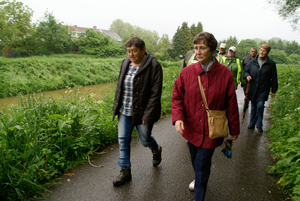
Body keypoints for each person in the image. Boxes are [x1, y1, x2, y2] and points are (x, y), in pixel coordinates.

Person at [172, 32, 240, 201]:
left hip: (212, 130)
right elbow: (177, 96)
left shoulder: (225, 74)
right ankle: (199, 178)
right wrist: (178, 117)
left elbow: (231, 103)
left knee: (202, 162)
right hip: (191, 127)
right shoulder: (187, 73)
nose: (198, 52)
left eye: (202, 48)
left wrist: (234, 128)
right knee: (196, 160)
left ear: (213, 50)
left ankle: (199, 196)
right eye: (196, 48)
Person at [112, 37, 163, 186]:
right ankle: (125, 170)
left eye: (134, 50)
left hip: (142, 111)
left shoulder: (153, 65)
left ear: (143, 49)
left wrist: (148, 114)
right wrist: (116, 106)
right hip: (124, 110)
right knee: (123, 141)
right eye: (129, 51)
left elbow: (155, 93)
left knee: (145, 139)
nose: (131, 54)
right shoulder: (125, 63)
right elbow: (119, 87)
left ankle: (156, 149)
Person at [243, 44, 278, 133]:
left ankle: (259, 125)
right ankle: (251, 123)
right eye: (261, 50)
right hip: (253, 87)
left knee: (260, 105)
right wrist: (247, 76)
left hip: (264, 88)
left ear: (267, 52)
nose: (262, 52)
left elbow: (274, 78)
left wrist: (273, 90)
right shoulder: (252, 62)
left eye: (264, 51)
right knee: (253, 106)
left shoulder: (271, 64)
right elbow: (245, 71)